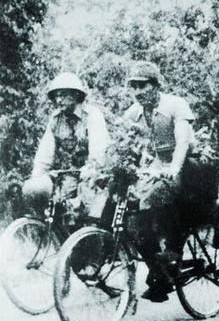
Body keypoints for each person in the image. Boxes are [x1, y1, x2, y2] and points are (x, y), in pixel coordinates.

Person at [123, 60, 197, 302]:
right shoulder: (134, 113)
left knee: (156, 197)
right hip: (156, 167)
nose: (137, 92)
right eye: (133, 86)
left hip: (186, 164)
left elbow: (183, 141)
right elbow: (126, 144)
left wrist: (173, 167)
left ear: (155, 85)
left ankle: (172, 254)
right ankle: (158, 269)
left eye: (142, 86)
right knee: (132, 216)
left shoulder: (174, 105)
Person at [22, 72, 110, 219]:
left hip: (95, 175)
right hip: (70, 174)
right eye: (56, 96)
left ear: (76, 95)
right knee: (39, 191)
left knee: (87, 208)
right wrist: (37, 176)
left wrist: (90, 170)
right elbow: (44, 154)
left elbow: (99, 154)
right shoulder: (56, 120)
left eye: (63, 95)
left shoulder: (92, 116)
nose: (58, 100)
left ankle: (90, 227)